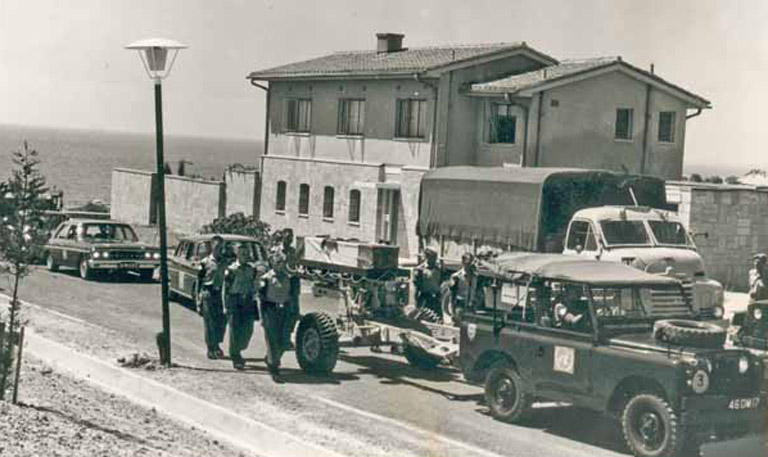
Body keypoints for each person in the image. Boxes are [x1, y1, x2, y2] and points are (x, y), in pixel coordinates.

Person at [224, 244, 259, 370]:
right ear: (237, 255)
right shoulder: (231, 269)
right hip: (235, 300)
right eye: (242, 253)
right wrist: (225, 306)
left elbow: (254, 284)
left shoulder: (252, 269)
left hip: (248, 301)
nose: (244, 256)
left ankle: (240, 347)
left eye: (246, 253)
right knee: (235, 329)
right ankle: (235, 355)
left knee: (248, 329)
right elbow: (226, 289)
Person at [259, 251, 291, 382]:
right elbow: (261, 298)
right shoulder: (266, 278)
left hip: (283, 311)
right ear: (272, 263)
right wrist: (262, 317)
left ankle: (270, 358)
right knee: (272, 340)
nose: (281, 265)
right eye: (278, 262)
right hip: (270, 310)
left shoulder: (287, 277)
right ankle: (274, 368)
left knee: (284, 341)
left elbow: (290, 296)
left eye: (283, 262)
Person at [197, 235, 227, 359]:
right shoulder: (205, 262)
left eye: (221, 247)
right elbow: (199, 280)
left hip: (222, 294)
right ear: (212, 247)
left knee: (221, 321)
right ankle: (211, 348)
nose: (219, 249)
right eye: (216, 246)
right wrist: (198, 299)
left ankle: (217, 344)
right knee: (210, 322)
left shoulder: (226, 262)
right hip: (208, 294)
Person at [273, 228, 300, 350]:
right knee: (282, 313)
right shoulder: (276, 251)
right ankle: (281, 339)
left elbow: (295, 266)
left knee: (293, 313)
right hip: (281, 284)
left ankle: (287, 337)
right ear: (282, 237)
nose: (289, 240)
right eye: (287, 237)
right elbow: (275, 267)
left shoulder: (293, 251)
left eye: (291, 238)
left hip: (293, 284)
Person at [448, 253, 481, 324]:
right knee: (458, 326)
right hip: (460, 304)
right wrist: (452, 311)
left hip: (471, 306)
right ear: (463, 262)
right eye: (468, 262)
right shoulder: (456, 277)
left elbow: (476, 291)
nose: (470, 265)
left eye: (471, 262)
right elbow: (452, 295)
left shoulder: (475, 276)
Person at [413, 248, 442, 315]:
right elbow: (417, 286)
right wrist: (417, 303)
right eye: (432, 257)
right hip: (425, 298)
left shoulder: (438, 269)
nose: (434, 259)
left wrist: (439, 295)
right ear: (427, 257)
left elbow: (439, 282)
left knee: (437, 318)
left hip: (435, 298)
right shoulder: (420, 270)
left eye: (435, 257)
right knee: (424, 317)